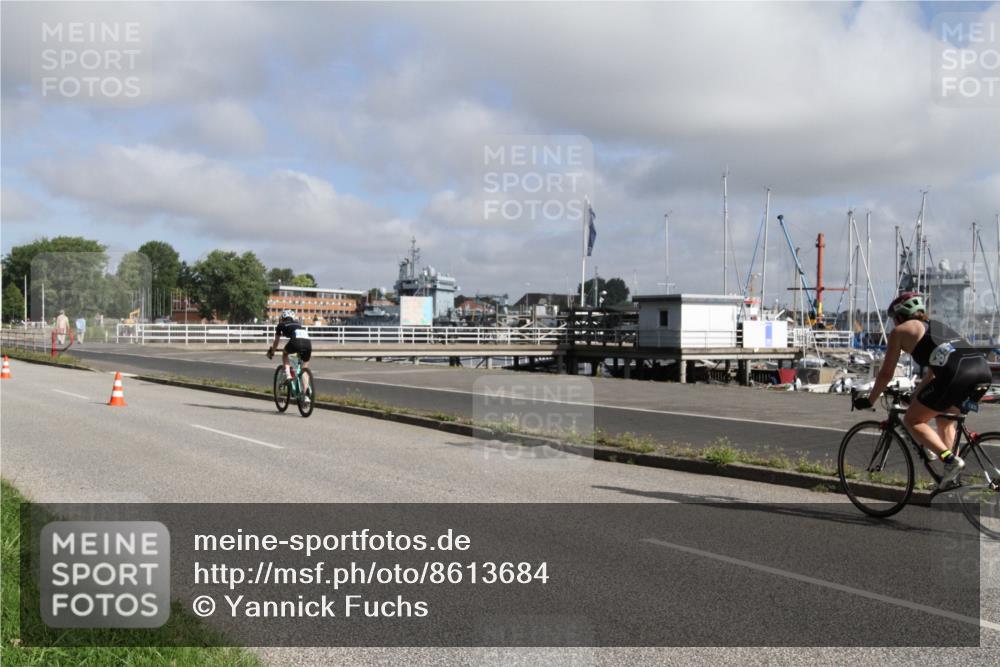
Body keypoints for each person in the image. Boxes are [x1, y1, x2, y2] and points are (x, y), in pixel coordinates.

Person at [856, 292, 992, 488]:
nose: (894, 324)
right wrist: (915, 397)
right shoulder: (936, 327)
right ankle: (950, 481)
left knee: (912, 420)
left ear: (899, 316)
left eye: (894, 319)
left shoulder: (901, 331)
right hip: (982, 371)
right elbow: (933, 375)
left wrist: (870, 400)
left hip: (956, 376)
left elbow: (886, 373)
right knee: (945, 421)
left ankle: (950, 461)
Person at [267, 310, 312, 400]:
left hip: (295, 342)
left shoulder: (281, 325)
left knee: (285, 354)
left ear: (283, 318)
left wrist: (272, 352)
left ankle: (288, 375)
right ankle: (306, 393)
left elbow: (276, 341)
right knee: (304, 369)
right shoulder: (299, 325)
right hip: (308, 344)